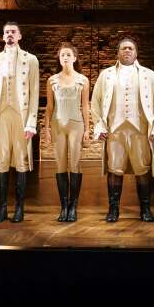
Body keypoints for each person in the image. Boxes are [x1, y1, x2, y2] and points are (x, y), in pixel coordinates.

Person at [90, 36, 154, 222]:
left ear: (136, 52)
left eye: (130, 48)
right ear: (117, 52)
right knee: (114, 169)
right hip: (114, 131)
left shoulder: (149, 75)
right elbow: (96, 103)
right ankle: (113, 209)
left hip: (140, 130)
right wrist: (99, 126)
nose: (127, 51)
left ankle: (145, 209)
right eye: (123, 48)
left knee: (143, 170)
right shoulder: (105, 74)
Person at [0, 21, 40, 222]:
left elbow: (34, 94)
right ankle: (3, 207)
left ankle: (19, 208)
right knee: (2, 160)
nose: (10, 35)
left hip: (21, 114)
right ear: (3, 36)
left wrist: (32, 122)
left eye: (13, 32)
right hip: (1, 114)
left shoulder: (30, 60)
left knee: (21, 159)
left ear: (20, 36)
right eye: (6, 32)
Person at [43, 43, 89, 222]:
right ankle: (63, 207)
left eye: (69, 54)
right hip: (57, 124)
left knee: (75, 164)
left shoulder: (83, 80)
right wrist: (46, 128)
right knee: (60, 165)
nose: (65, 57)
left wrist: (87, 128)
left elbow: (85, 106)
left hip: (76, 124)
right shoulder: (52, 80)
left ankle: (73, 207)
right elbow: (49, 106)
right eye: (62, 55)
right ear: (59, 58)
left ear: (75, 58)